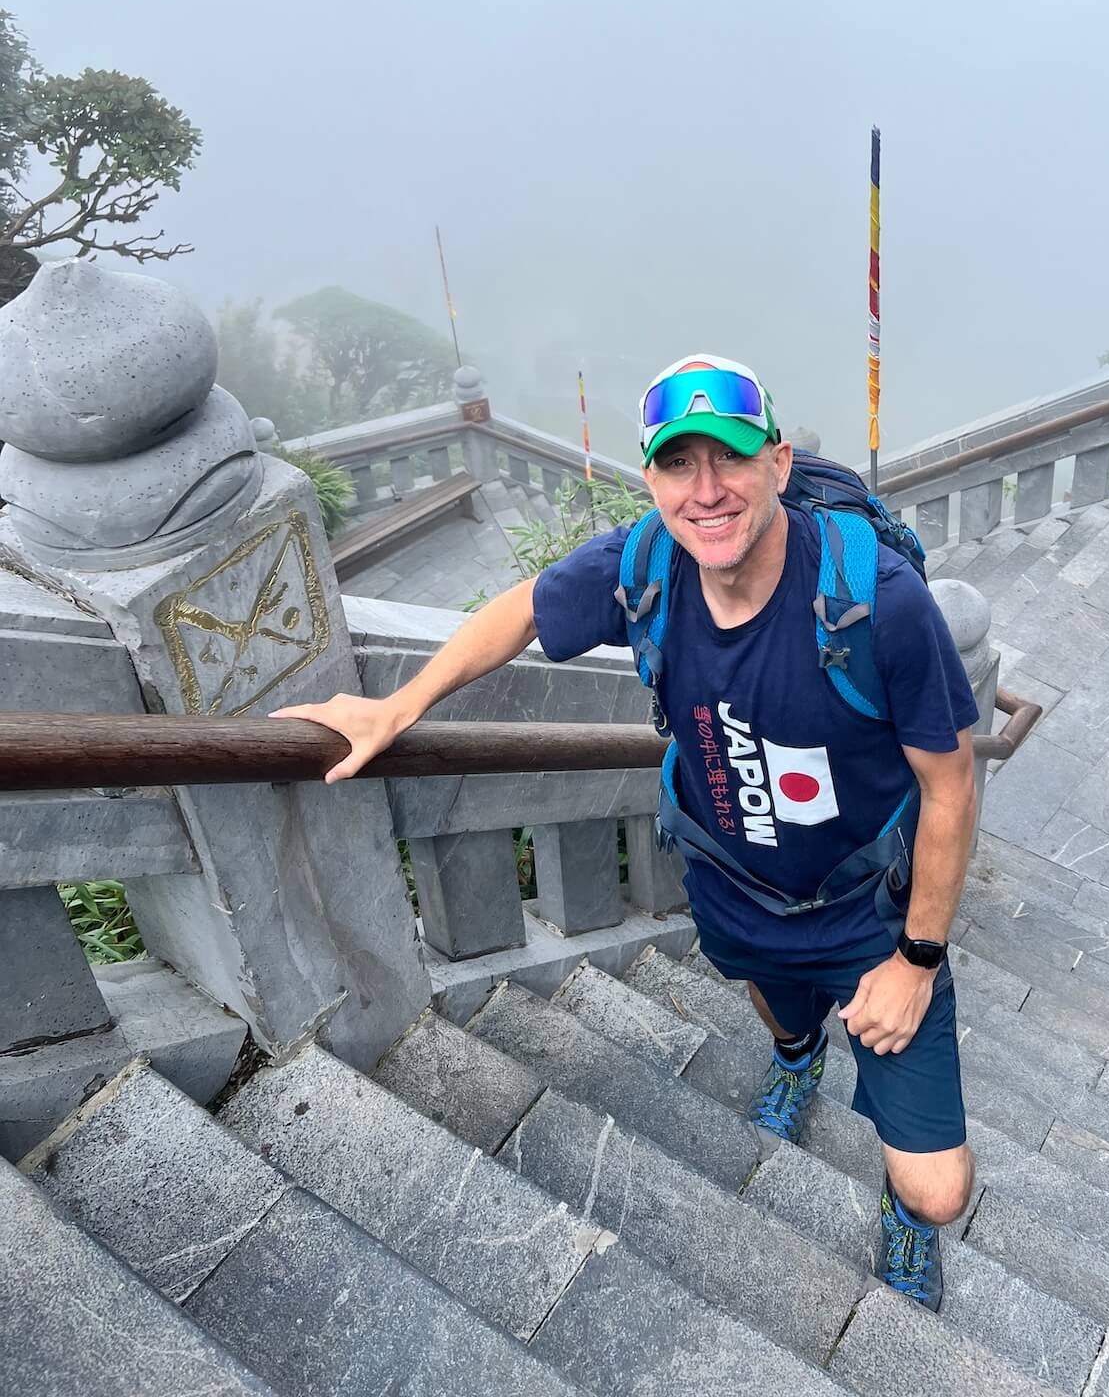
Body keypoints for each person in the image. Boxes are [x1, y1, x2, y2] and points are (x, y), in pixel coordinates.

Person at [276, 355, 979, 1311]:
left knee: (939, 1190)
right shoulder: (646, 563)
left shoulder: (877, 602)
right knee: (773, 1003)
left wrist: (917, 959)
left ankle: (900, 1214)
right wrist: (397, 709)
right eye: (677, 464)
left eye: (728, 458)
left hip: (866, 907)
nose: (707, 491)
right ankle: (796, 1057)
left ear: (776, 463)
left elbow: (950, 785)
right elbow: (523, 606)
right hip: (732, 878)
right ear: (648, 480)